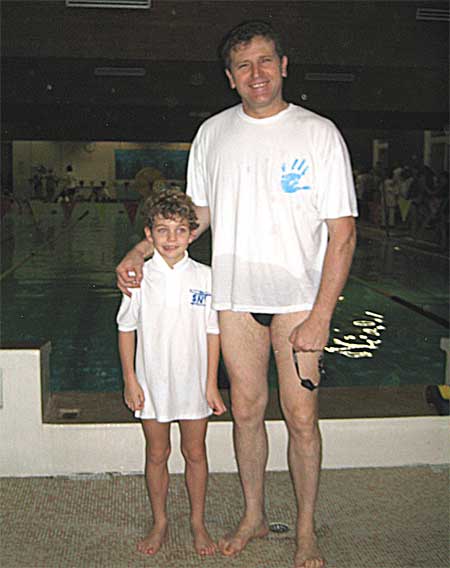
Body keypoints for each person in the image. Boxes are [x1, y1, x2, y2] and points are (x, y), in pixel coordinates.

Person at [116, 20, 357, 568]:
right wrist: (141, 250)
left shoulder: (318, 133)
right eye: (243, 65)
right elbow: (194, 218)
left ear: (284, 66)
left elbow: (342, 233)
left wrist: (322, 315)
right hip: (233, 297)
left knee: (301, 417)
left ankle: (305, 529)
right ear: (230, 77)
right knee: (246, 411)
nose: (257, 73)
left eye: (266, 61)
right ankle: (253, 515)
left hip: (299, 300)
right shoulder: (212, 134)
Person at [116, 189, 227, 557]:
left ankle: (197, 522)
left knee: (195, 452)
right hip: (152, 383)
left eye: (180, 230)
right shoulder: (139, 277)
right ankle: (160, 521)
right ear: (149, 234)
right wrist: (130, 380)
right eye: (162, 230)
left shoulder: (206, 277)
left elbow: (213, 332)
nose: (171, 239)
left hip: (193, 383)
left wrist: (211, 384)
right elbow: (126, 328)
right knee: (157, 453)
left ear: (192, 234)